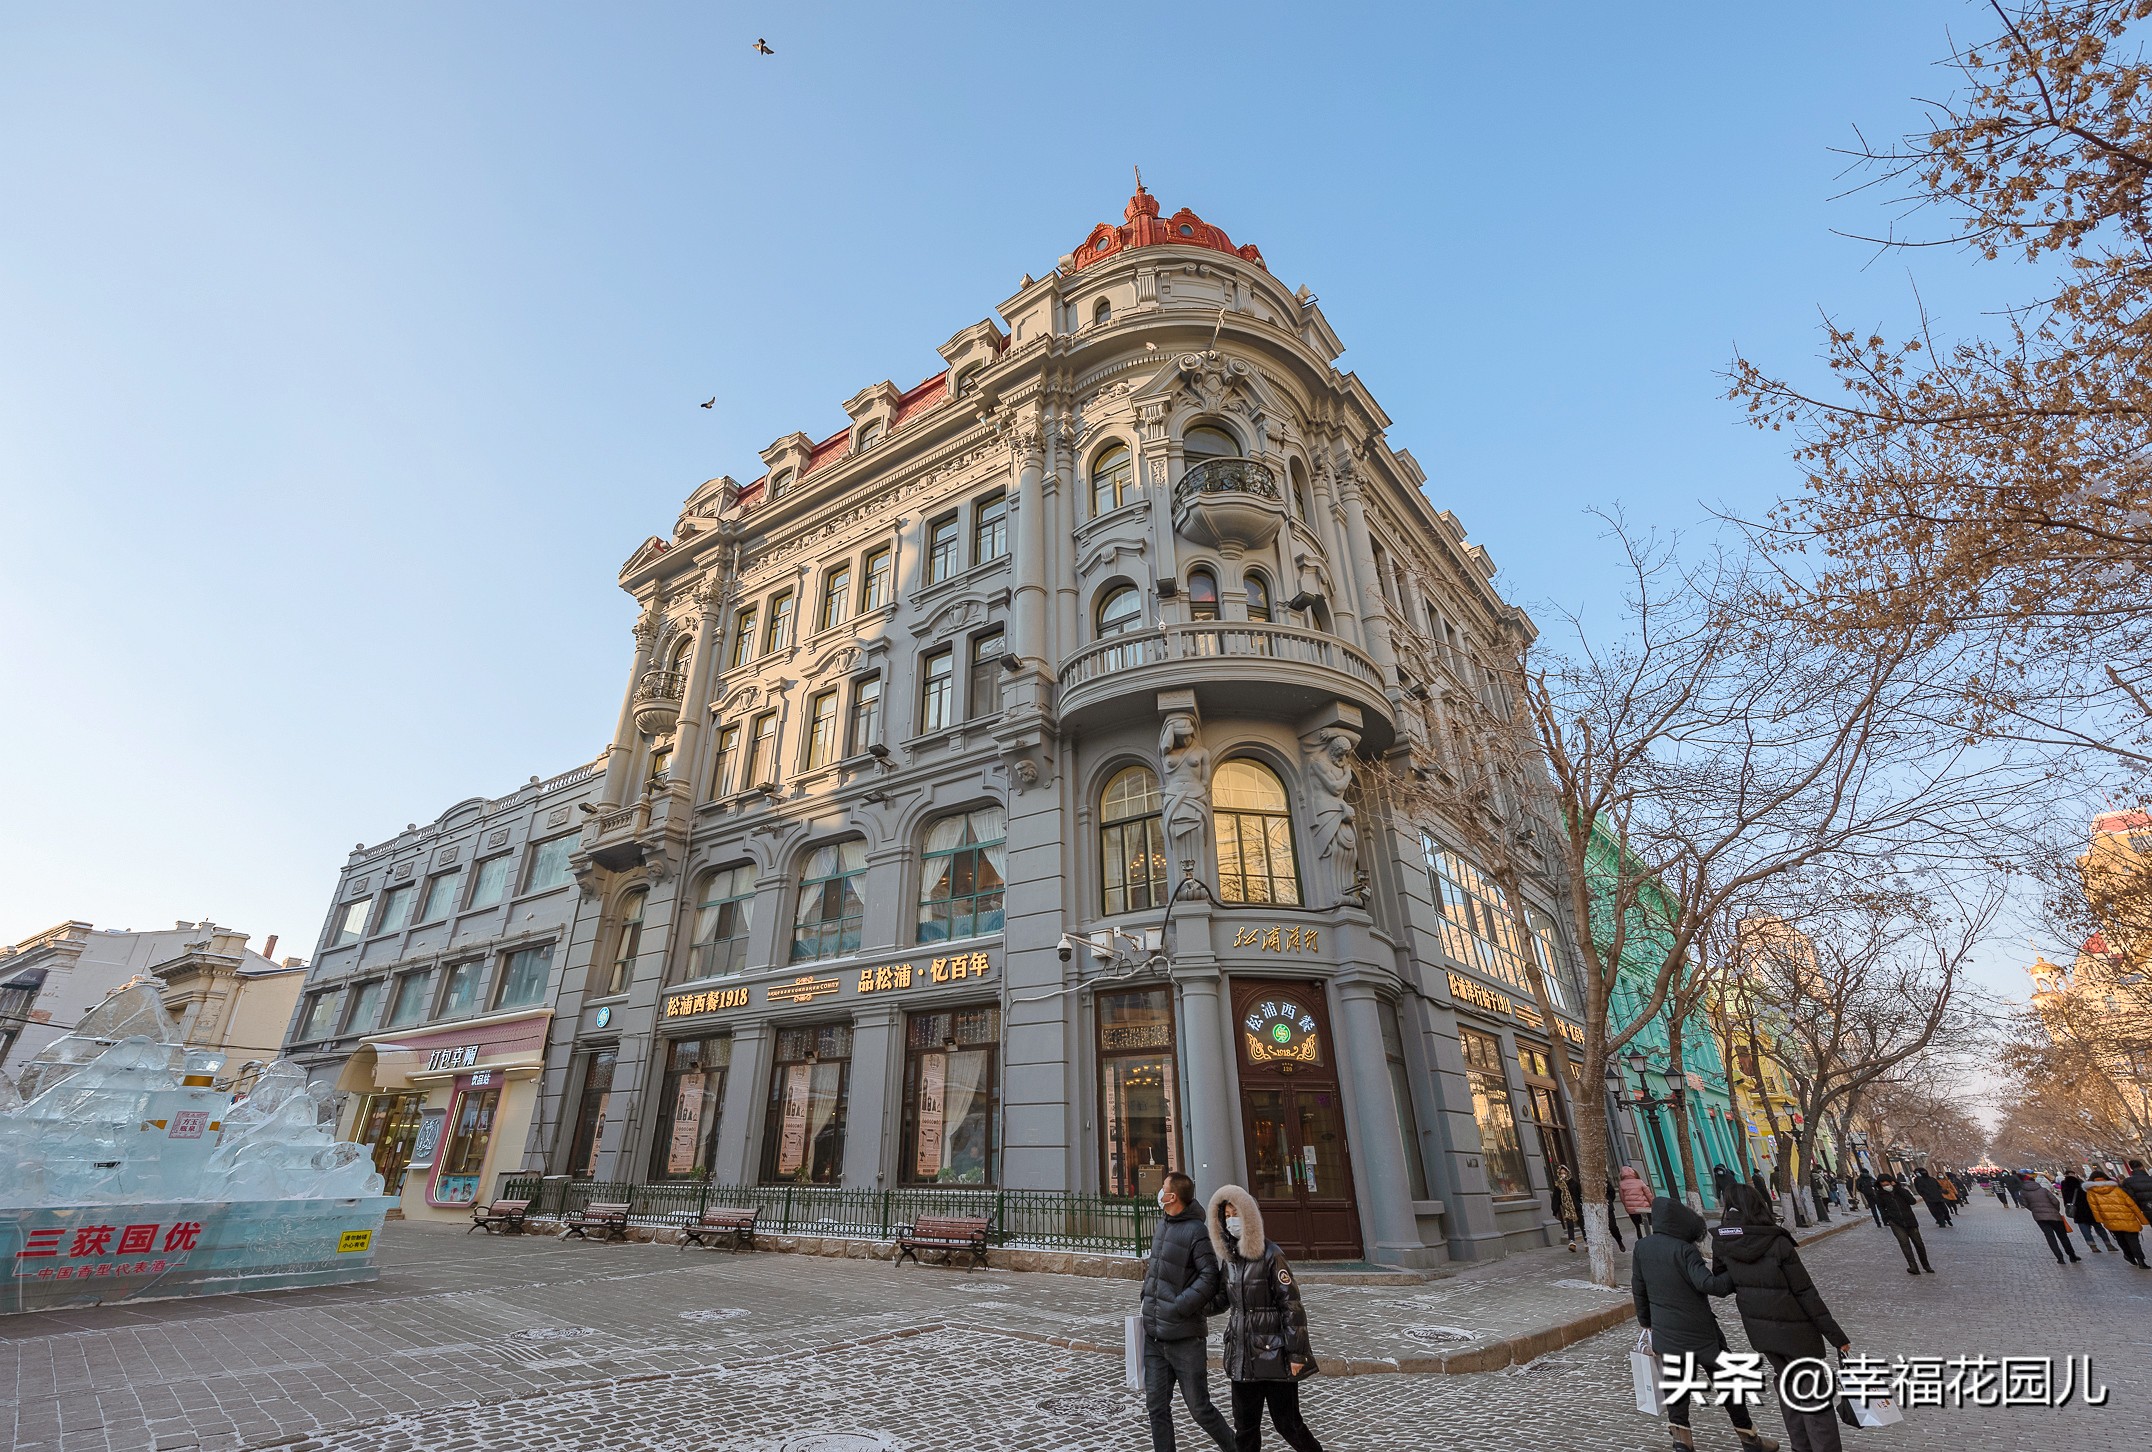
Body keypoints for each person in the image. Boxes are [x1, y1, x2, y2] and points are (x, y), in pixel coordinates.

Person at [1632, 1196, 1777, 1452]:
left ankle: (1682, 1442)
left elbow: (1639, 1289)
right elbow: (1710, 1285)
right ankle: (1750, 1439)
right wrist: (1735, 1272)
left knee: (1678, 1388)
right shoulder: (1685, 1250)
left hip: (1667, 1334)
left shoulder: (1642, 1247)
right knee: (1728, 1384)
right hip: (1701, 1333)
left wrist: (1647, 1322)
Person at [1712, 1186, 1851, 1452]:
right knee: (1812, 1393)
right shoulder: (1777, 1240)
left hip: (1762, 1333)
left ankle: (1801, 1447)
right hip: (1797, 1331)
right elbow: (1805, 1292)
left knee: (1788, 1387)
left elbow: (1722, 1281)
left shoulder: (1722, 1241)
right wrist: (1837, 1337)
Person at [1206, 1184, 1326, 1452]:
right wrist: (1190, 1305)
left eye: (1235, 1212)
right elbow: (1223, 1300)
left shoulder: (1272, 1255)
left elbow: (1292, 1307)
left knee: (1288, 1424)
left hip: (1273, 1357)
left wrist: (1297, 1355)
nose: (1231, 1219)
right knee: (1245, 1430)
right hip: (1241, 1356)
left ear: (1249, 1215)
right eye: (1226, 1214)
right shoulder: (1230, 1260)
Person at [1139, 1171, 1235, 1452]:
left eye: (1163, 1188)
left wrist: (1181, 1306)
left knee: (1200, 1409)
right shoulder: (1163, 1224)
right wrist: (1146, 1295)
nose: (1160, 1192)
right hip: (1154, 1336)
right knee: (1156, 1408)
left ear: (1173, 1197)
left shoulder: (1195, 1231)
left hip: (1184, 1339)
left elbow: (1210, 1279)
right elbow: (1156, 1269)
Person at [2080, 1168, 2150, 1269]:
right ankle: (2141, 1261)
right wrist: (2142, 1219)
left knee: (2121, 1239)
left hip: (2110, 1220)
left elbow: (2094, 1208)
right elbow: (2131, 1204)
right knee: (2133, 1240)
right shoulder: (2117, 1189)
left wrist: (2101, 1220)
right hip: (2128, 1217)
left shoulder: (2091, 1192)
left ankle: (2129, 1256)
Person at [1873, 1173, 1934, 1275]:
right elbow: (1881, 1208)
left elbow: (1912, 1201)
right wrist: (1887, 1219)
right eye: (1883, 1185)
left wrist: (1898, 1188)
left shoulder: (1902, 1191)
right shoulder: (1880, 1195)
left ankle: (1926, 1265)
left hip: (1910, 1220)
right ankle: (1913, 1266)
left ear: (1892, 1182)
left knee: (1919, 1244)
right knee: (1904, 1244)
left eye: (1887, 1184)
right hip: (1896, 1223)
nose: (1885, 1187)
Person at [2014, 1173, 2081, 1266]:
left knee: (2050, 1237)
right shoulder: (2043, 1190)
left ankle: (2060, 1258)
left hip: (2040, 1218)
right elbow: (2055, 1201)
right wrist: (2055, 1210)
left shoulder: (2023, 1192)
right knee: (2063, 1236)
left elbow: (2025, 1204)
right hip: (2054, 1216)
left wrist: (2034, 1210)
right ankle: (2072, 1255)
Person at [2061, 1171, 2114, 1254]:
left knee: (2084, 1229)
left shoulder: (2064, 1185)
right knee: (2098, 1227)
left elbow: (2065, 1199)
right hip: (2088, 1208)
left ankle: (2092, 1246)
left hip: (2077, 1210)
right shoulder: (2080, 1183)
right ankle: (2108, 1243)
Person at [1619, 1165, 1656, 1240]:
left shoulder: (1621, 1184)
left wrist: (1627, 1207)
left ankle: (1641, 1243)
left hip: (1632, 1211)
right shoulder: (1639, 1182)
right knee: (1649, 1225)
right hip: (1644, 1208)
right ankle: (1652, 1240)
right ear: (1634, 1173)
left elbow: (1622, 1198)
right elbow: (1648, 1195)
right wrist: (1653, 1204)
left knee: (1638, 1227)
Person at [1551, 1167, 1582, 1252]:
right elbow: (1556, 1198)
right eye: (1561, 1173)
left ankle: (1587, 1241)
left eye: (1564, 1173)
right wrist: (1555, 1210)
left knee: (1582, 1223)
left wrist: (1581, 1204)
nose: (1563, 1175)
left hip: (1577, 1206)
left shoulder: (1574, 1183)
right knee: (1570, 1224)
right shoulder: (1559, 1185)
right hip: (1567, 1208)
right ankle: (1572, 1242)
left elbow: (1580, 1194)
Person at [1604, 1176, 1628, 1251]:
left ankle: (1619, 1241)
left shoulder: (1604, 1181)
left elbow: (1612, 1192)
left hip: (1607, 1206)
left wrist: (1609, 1200)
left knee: (1612, 1226)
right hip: (1595, 1208)